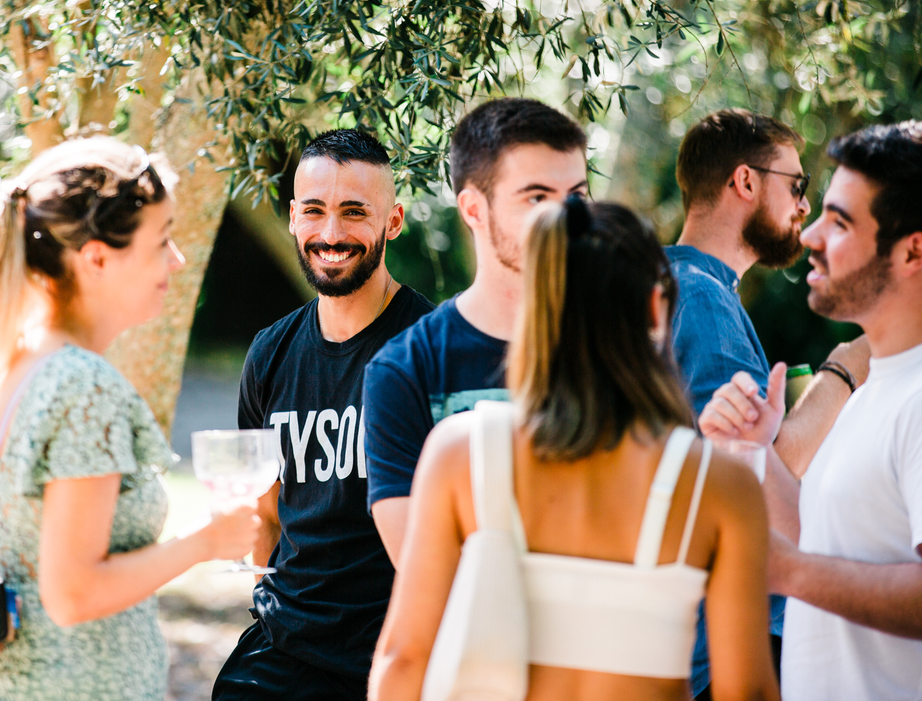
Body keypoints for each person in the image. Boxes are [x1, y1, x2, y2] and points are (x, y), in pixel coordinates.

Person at [369, 197, 781, 701]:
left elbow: (404, 660)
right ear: (655, 308)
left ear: (530, 308)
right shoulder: (719, 486)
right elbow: (748, 692)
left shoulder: (460, 455)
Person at [0, 137, 260, 700]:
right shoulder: (82, 387)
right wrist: (206, 542)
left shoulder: (0, 375)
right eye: (161, 241)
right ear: (98, 258)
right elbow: (73, 594)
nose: (176, 260)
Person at [700, 121, 922, 701]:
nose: (812, 234)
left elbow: (801, 564)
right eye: (818, 210)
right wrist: (757, 453)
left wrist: (786, 571)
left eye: (840, 221)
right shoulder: (876, 390)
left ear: (912, 250)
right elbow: (827, 538)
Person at [212, 130, 434, 701]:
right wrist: (269, 608)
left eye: (354, 212)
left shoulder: (433, 350)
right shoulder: (270, 352)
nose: (331, 234)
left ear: (394, 220)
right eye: (314, 211)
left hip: (390, 656)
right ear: (292, 217)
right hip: (282, 653)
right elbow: (263, 516)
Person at [667, 109, 869, 697]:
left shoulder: (672, 287)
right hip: (727, 649)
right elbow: (749, 469)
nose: (805, 209)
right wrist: (845, 370)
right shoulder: (700, 301)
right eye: (797, 186)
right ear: (746, 182)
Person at [363, 98, 588, 564]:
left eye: (578, 197)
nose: (570, 220)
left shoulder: (625, 349)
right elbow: (425, 576)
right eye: (538, 198)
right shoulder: (403, 371)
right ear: (473, 209)